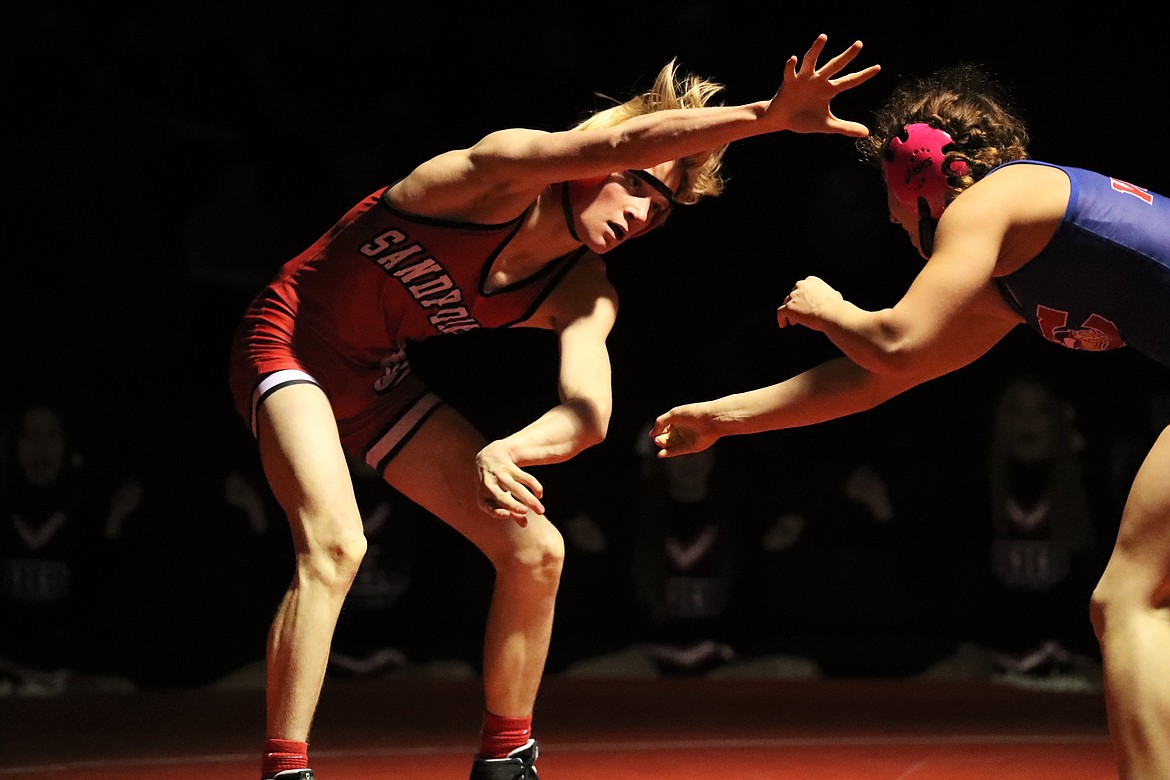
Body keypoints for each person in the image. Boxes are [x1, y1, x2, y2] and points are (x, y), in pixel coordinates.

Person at [227, 34, 879, 780]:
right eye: (634, 184)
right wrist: (765, 115)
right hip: (285, 343)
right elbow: (627, 133)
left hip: (377, 381)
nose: (641, 214)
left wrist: (513, 448)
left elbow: (588, 412)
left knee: (537, 551)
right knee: (338, 545)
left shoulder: (581, 288)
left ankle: (506, 760)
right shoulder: (492, 177)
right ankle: (285, 769)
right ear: (596, 158)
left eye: (660, 208)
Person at [650, 62, 1170, 779]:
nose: (892, 223)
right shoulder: (1012, 272)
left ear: (916, 175)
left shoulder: (992, 201)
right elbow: (878, 378)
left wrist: (827, 307)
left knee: (1129, 601)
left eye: (887, 200)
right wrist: (724, 417)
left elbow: (891, 339)